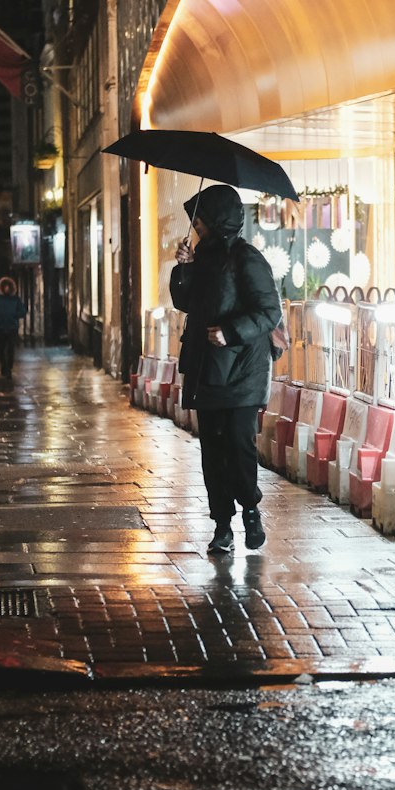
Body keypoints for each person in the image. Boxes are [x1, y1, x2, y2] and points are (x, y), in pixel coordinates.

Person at [170, 183, 283, 553]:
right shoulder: (201, 260)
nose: (196, 228)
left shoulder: (247, 258)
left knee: (238, 445)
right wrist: (182, 268)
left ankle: (250, 509)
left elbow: (269, 312)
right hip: (207, 369)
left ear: (218, 221)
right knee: (212, 451)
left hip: (243, 370)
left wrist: (232, 332)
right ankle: (222, 525)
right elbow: (183, 301)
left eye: (200, 221)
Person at [0, 276, 26, 378]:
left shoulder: (16, 300)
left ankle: (8, 367)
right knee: (1, 349)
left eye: (8, 287)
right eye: (5, 286)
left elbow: (22, 312)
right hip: (1, 327)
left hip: (11, 327)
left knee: (10, 349)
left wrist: (14, 315)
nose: (6, 289)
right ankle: (4, 365)